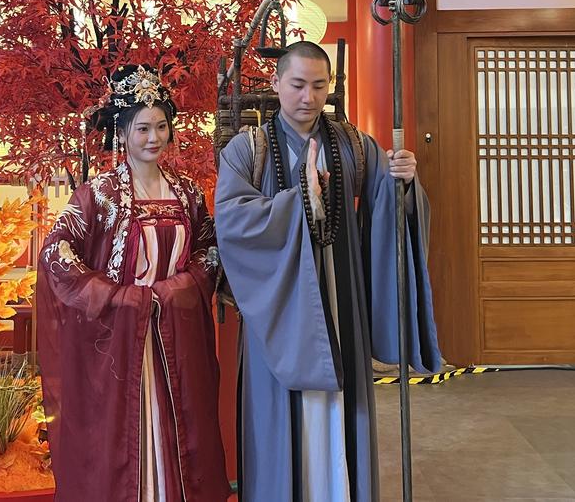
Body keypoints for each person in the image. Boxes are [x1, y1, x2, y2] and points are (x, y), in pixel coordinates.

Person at [214, 41, 442, 502]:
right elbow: (232, 221)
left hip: (341, 298)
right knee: (280, 418)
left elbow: (390, 207)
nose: (309, 97)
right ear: (276, 83)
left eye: (319, 86)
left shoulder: (353, 144)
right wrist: (300, 199)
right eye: (297, 84)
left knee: (344, 411)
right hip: (280, 313)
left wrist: (403, 181)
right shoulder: (249, 149)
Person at [37, 64, 230, 502]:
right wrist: (115, 297)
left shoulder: (187, 192)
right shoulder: (99, 194)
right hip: (119, 340)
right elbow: (55, 252)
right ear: (122, 132)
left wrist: (178, 289)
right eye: (142, 128)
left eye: (161, 126)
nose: (153, 138)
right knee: (121, 440)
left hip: (176, 336)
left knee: (186, 431)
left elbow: (210, 249)